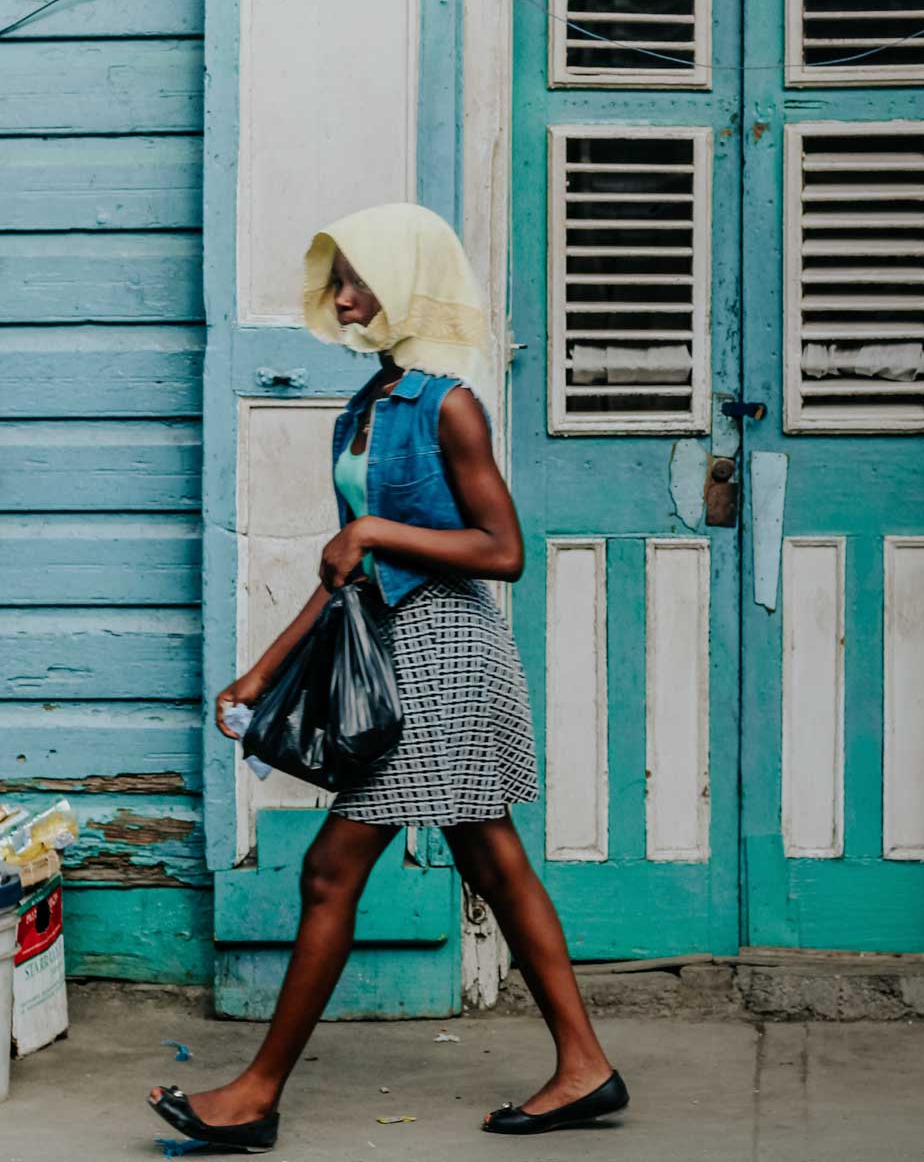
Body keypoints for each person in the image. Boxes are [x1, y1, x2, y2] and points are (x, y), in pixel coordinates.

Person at [149, 203, 628, 1150]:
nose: (344, 296)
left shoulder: (449, 402)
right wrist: (261, 671)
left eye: (360, 277)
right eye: (337, 280)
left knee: (333, 869)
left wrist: (372, 528)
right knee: (490, 853)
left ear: (410, 283)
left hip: (446, 653)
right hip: (387, 640)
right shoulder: (371, 403)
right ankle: (586, 1067)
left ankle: (254, 1096)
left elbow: (503, 550)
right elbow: (349, 565)